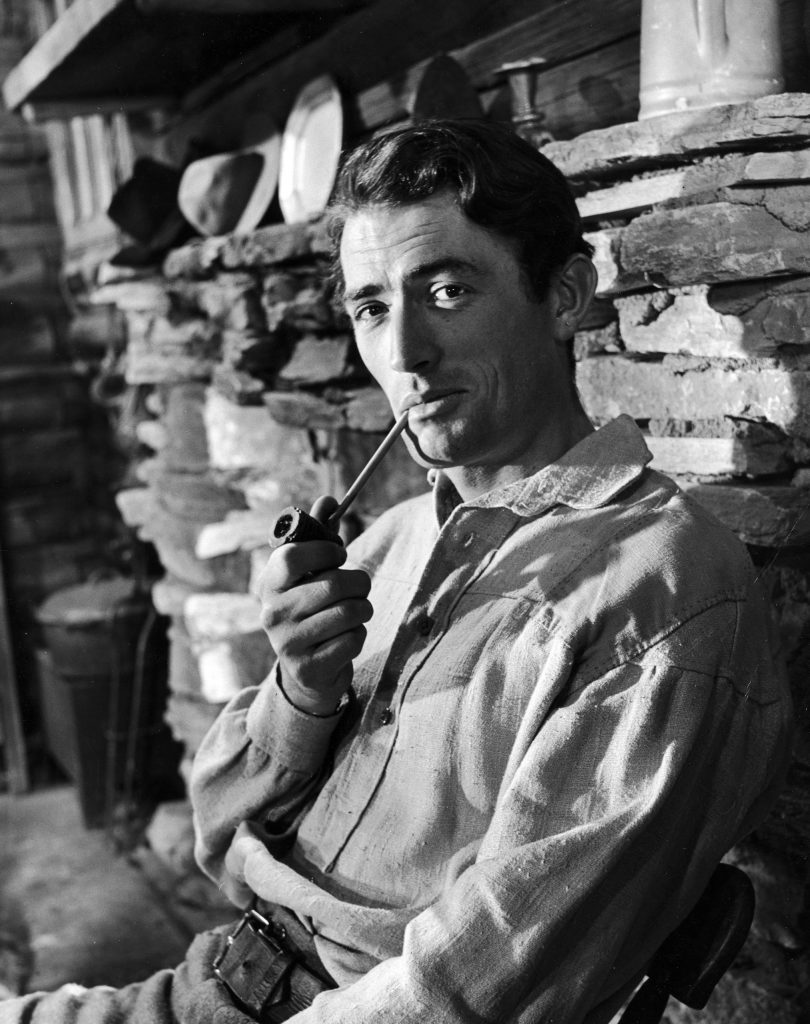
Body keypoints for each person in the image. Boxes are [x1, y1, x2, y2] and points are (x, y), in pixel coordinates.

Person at [2, 119, 792, 1024]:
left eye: (447, 290)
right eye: (372, 307)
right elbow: (220, 844)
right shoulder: (391, 543)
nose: (404, 355)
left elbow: (460, 994)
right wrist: (301, 691)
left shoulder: (663, 597)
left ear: (567, 293)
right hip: (209, 984)